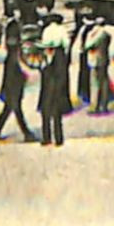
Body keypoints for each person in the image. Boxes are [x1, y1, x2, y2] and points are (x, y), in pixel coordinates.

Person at [0, 21, 38, 143]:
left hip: (11, 81)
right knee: (15, 107)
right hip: (14, 82)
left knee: (9, 108)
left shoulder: (11, 53)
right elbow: (20, 65)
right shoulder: (15, 52)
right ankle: (26, 133)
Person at [38, 15, 72, 147]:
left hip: (48, 72)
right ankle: (59, 138)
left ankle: (46, 137)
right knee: (57, 108)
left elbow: (43, 46)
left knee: (46, 107)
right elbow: (66, 44)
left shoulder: (46, 31)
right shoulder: (62, 31)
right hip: (59, 63)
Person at [85, 19, 113, 115]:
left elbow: (88, 45)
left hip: (95, 60)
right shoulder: (106, 34)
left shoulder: (95, 34)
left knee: (95, 84)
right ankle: (104, 105)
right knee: (104, 82)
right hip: (104, 59)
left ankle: (95, 106)